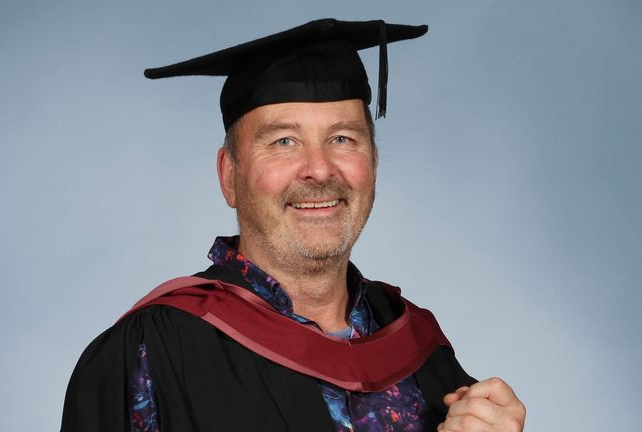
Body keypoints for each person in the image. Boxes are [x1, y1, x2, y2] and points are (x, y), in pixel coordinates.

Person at [61, 19, 526, 432]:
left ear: (374, 163)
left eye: (342, 138)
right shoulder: (150, 354)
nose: (319, 170)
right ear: (230, 177)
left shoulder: (421, 349)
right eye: (284, 141)